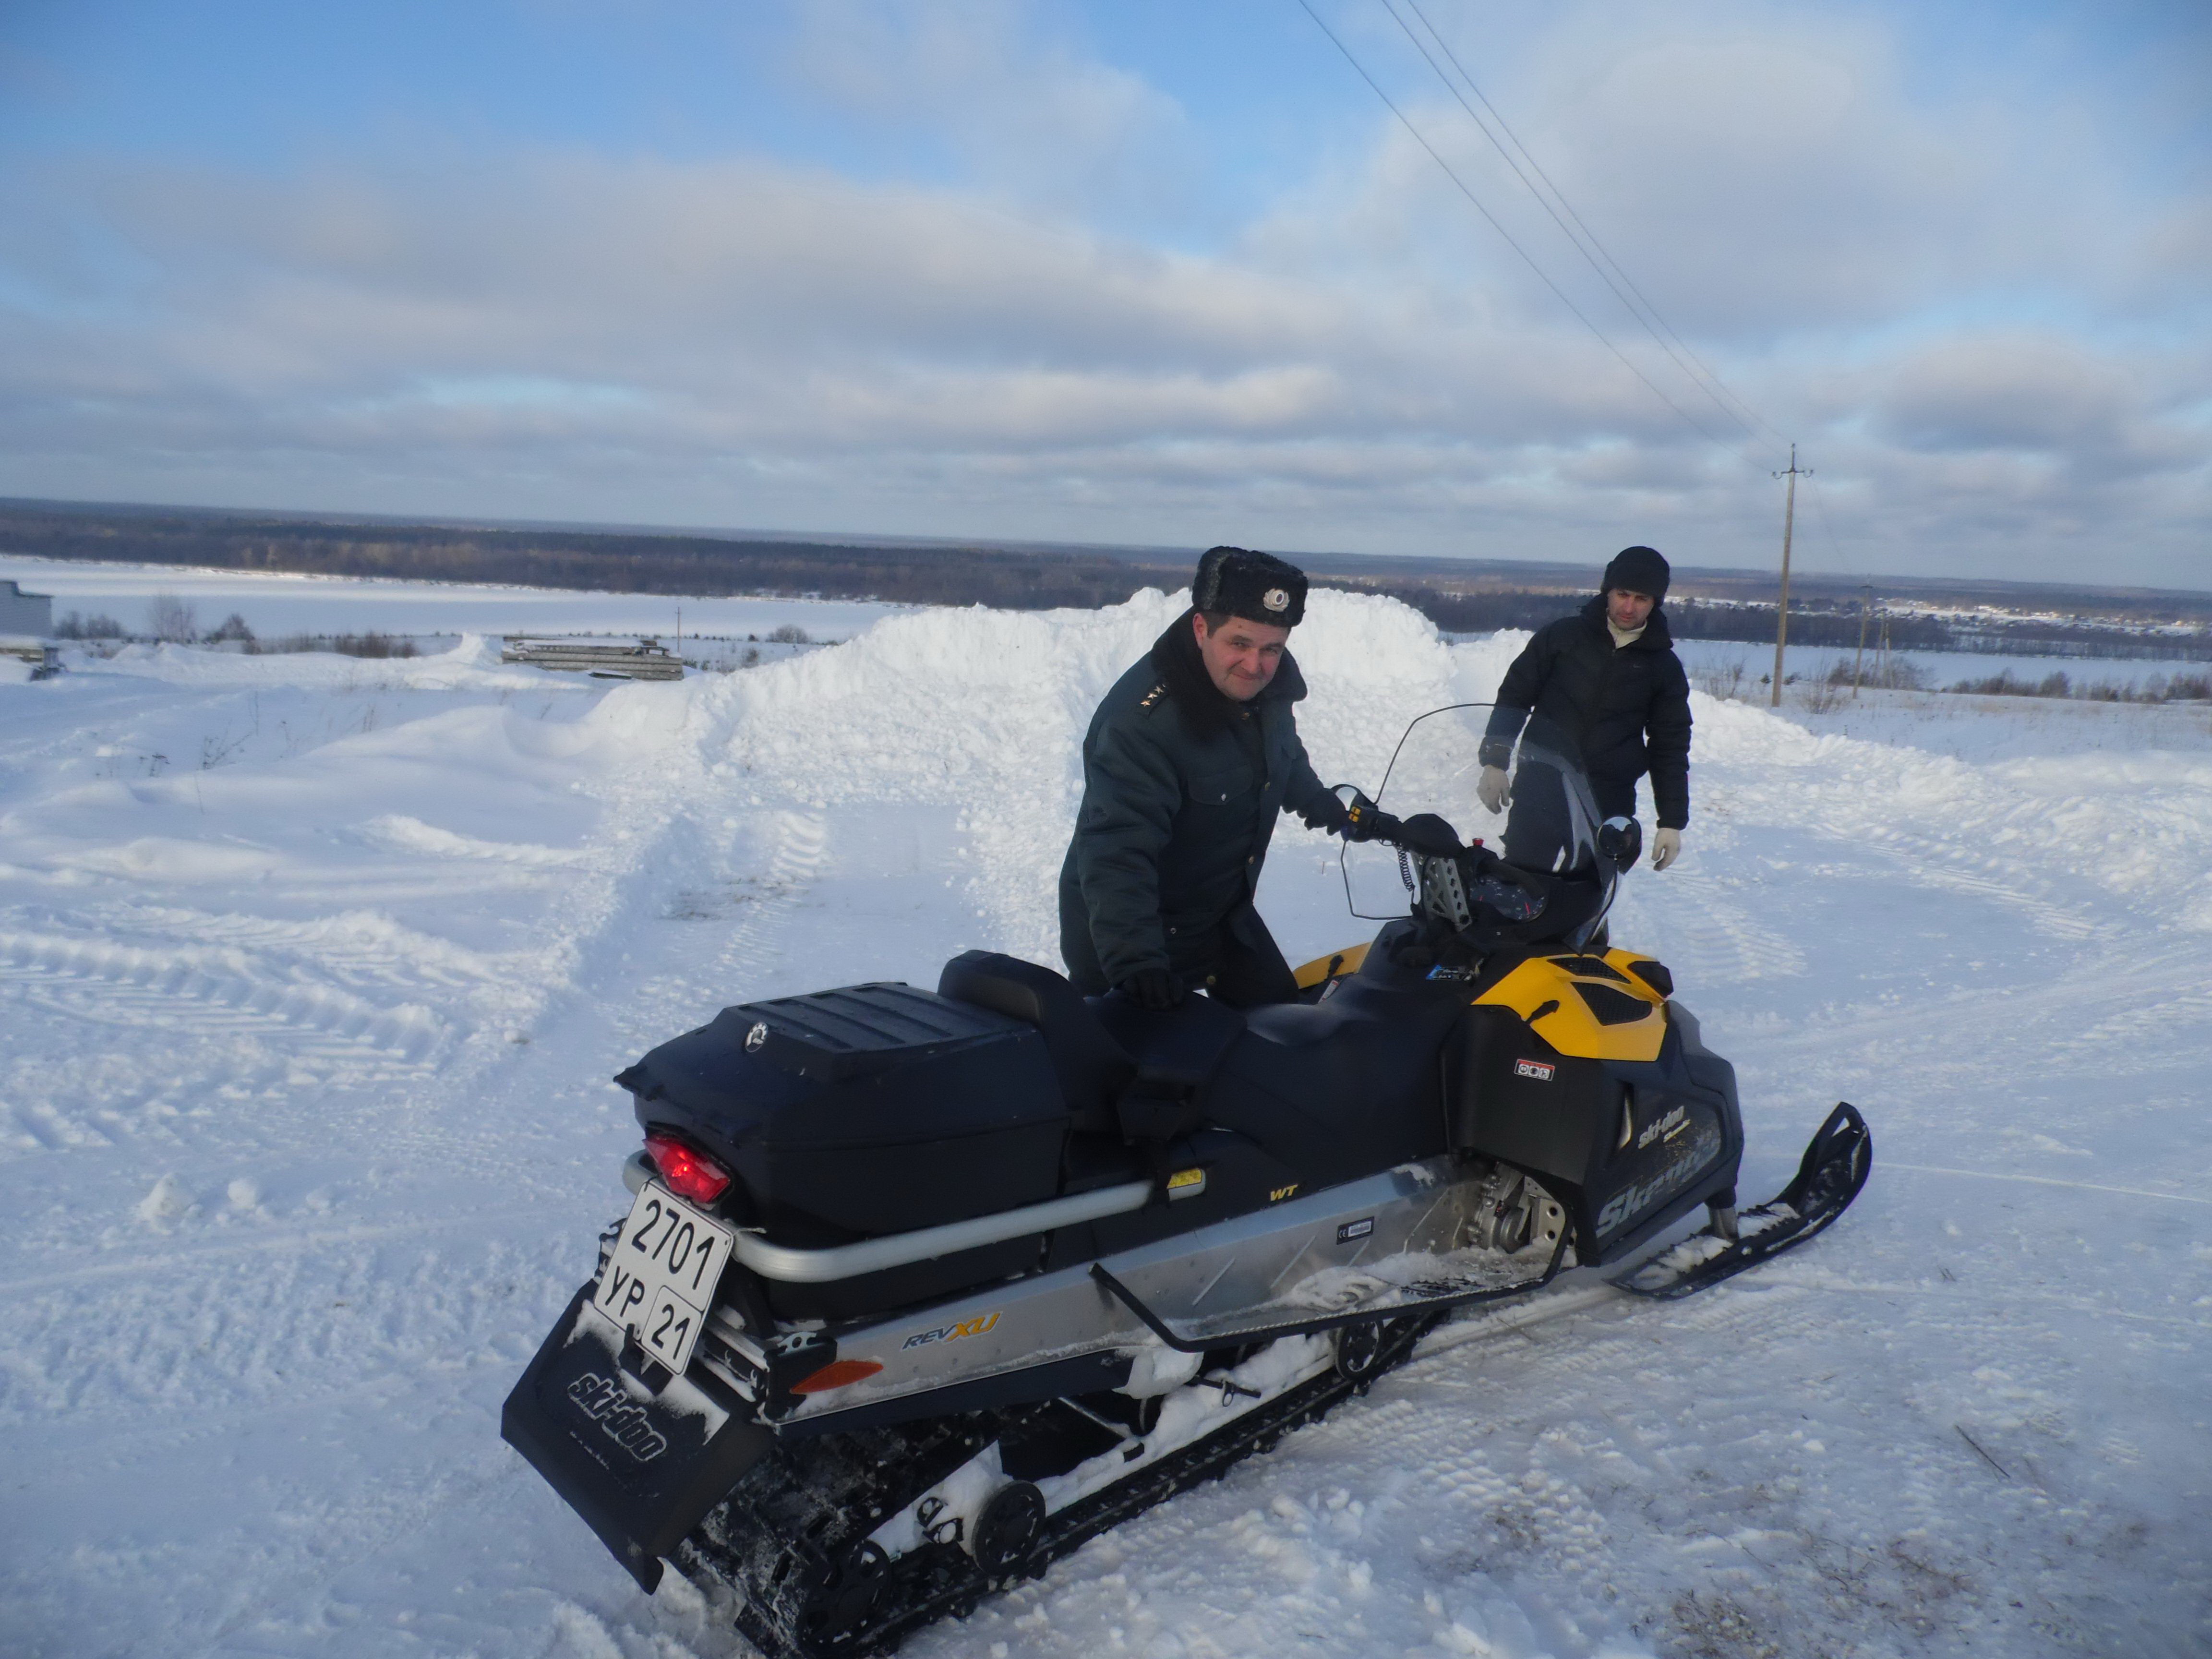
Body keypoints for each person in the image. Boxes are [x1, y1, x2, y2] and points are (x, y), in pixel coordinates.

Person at [1060, 546, 1447, 1010]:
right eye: (1239, 644)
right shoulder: (1142, 725)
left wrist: (1330, 809)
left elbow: (1282, 756)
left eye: (1272, 649)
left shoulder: (1268, 685)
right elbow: (1118, 854)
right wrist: (1136, 966)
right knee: (1138, 1073)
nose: (1256, 666)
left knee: (1284, 1038)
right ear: (1201, 628)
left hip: (1221, 915)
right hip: (1132, 938)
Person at [1477, 545, 1692, 872]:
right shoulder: (1562, 638)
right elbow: (1515, 696)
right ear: (1608, 591)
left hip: (1606, 799)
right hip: (1541, 784)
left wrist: (1672, 822)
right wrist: (1495, 761)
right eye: (1623, 594)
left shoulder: (1664, 668)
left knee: (1588, 898)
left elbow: (1670, 746)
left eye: (1642, 599)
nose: (1629, 607)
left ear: (1655, 603)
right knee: (1520, 887)